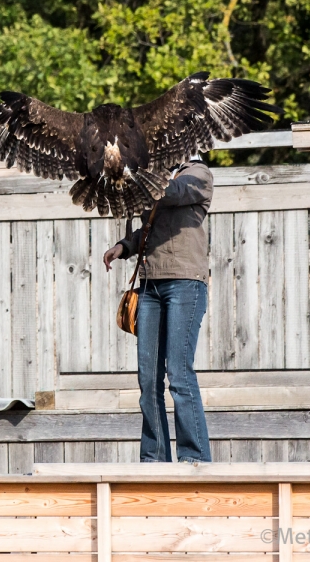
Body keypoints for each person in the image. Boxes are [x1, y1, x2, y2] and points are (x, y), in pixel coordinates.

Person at [103, 158, 213, 463]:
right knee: (148, 379)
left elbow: (172, 192)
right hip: (150, 286)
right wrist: (124, 247)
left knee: (179, 374)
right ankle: (154, 459)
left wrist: (135, 174)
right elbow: (150, 232)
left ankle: (195, 459)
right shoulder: (155, 176)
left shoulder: (198, 174)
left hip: (185, 285)